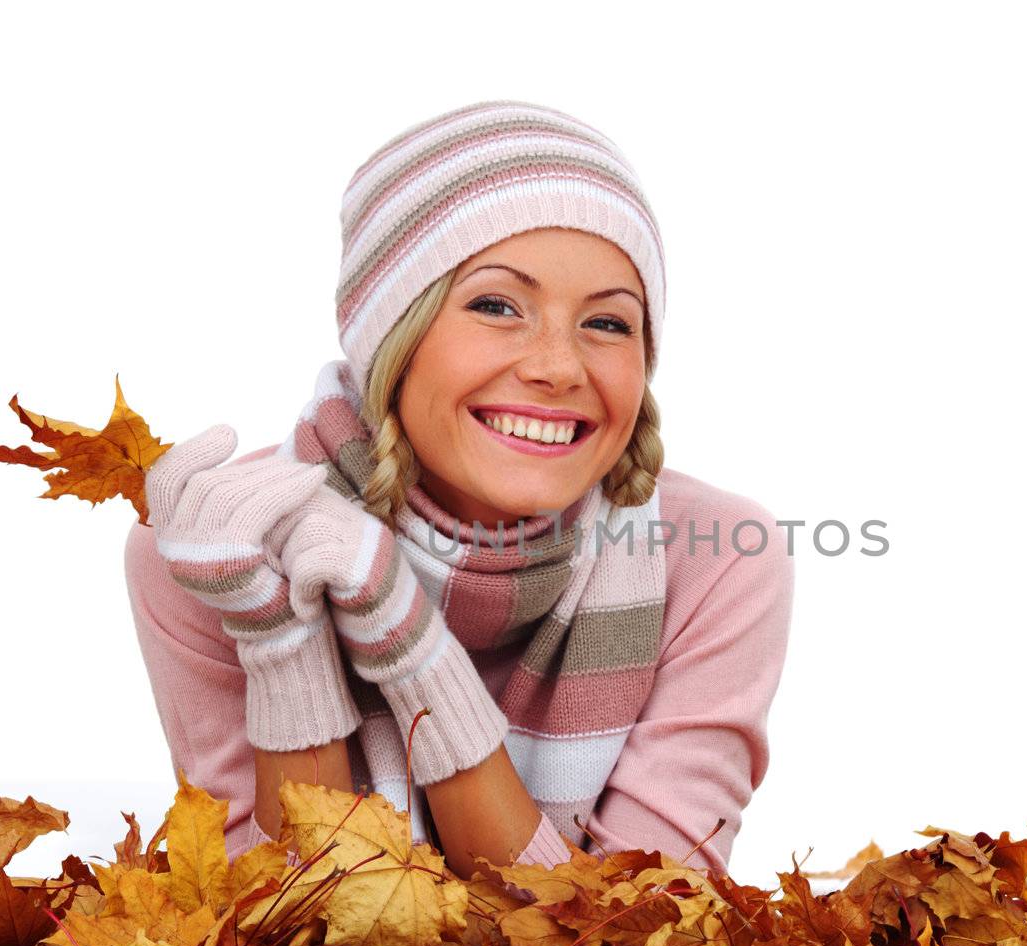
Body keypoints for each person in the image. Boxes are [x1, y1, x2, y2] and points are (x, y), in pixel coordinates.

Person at [122, 99, 794, 882]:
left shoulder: (718, 560)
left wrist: (409, 648)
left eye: (608, 323)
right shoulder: (219, 548)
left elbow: (637, 944)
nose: (559, 366)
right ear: (390, 338)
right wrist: (282, 646)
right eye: (496, 305)